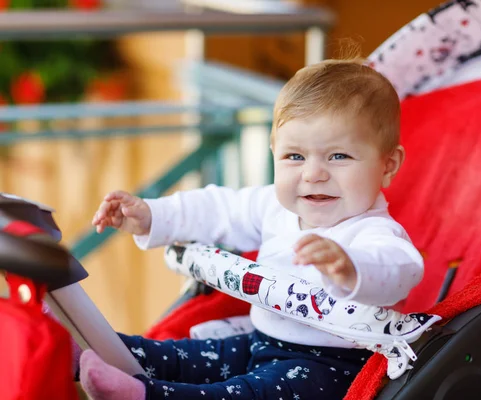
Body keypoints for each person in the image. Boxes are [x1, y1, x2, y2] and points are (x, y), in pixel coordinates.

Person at [82, 58, 424, 400]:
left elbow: (400, 269)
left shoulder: (372, 232)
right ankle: (89, 349)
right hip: (261, 341)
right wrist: (152, 215)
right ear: (274, 152)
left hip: (334, 367)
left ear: (388, 165)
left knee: (242, 394)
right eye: (295, 156)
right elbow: (217, 209)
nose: (313, 173)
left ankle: (146, 395)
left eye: (339, 157)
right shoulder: (274, 208)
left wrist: (350, 267)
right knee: (183, 357)